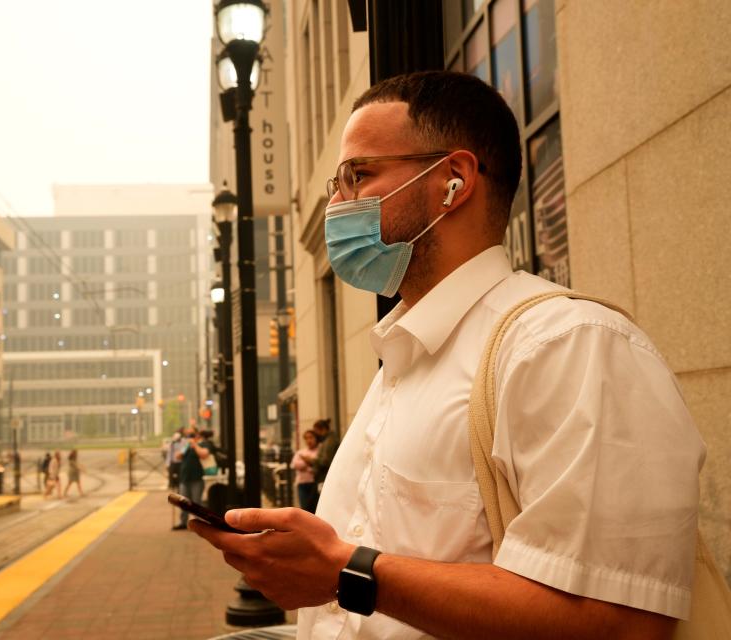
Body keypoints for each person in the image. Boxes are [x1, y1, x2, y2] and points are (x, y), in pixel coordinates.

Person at [192, 71, 704, 639]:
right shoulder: (404, 359)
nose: (338, 204)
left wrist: (345, 573)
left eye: (357, 175)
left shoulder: (568, 345)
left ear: (454, 181)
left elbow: (619, 621)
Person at [172, 426, 212, 530]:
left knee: (196, 502)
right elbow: (177, 456)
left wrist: (194, 445)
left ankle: (198, 524)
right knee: (183, 502)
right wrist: (185, 446)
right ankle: (183, 522)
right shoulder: (186, 445)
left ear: (197, 435)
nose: (189, 437)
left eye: (192, 434)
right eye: (188, 435)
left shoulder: (202, 443)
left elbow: (204, 454)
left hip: (197, 478)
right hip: (184, 477)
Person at [291, 430, 320, 513]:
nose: (309, 440)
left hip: (314, 483)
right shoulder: (301, 452)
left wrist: (306, 462)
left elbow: (318, 465)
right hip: (302, 483)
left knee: (314, 508)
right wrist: (308, 463)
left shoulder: (319, 451)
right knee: (304, 509)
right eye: (306, 438)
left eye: (311, 437)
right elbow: (294, 464)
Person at [310, 419, 338, 489]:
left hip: (325, 476)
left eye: (316, 431)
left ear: (323, 429)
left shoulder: (329, 441)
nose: (315, 434)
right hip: (324, 476)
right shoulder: (327, 440)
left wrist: (312, 461)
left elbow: (325, 461)